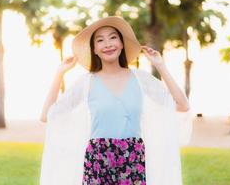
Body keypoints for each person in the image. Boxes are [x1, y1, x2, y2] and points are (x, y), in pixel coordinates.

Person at [39, 16, 193, 185]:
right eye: (100, 40)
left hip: (133, 158)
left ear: (121, 43)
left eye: (113, 37)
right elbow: (47, 115)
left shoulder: (141, 79)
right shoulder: (86, 82)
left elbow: (182, 105)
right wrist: (59, 74)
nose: (108, 44)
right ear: (94, 49)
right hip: (98, 160)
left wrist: (160, 66)